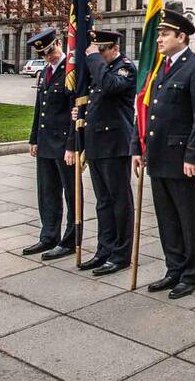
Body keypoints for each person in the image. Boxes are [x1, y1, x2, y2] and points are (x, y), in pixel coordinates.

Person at [133, 9, 195, 298]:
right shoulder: (159, 68)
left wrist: (194, 155)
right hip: (157, 156)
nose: (159, 39)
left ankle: (192, 274)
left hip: (182, 160)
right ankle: (174, 268)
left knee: (187, 218)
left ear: (182, 36)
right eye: (158, 34)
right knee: (166, 218)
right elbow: (145, 110)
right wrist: (137, 147)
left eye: (164, 34)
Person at [69, 30, 136, 276]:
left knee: (120, 202)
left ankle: (121, 254)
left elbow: (110, 87)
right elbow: (95, 99)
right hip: (97, 143)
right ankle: (104, 250)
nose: (96, 56)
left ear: (112, 48)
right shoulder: (100, 69)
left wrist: (94, 59)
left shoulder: (124, 68)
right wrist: (81, 114)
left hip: (115, 144)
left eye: (100, 51)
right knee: (103, 202)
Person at [22, 29, 76, 261]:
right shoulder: (45, 72)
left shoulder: (71, 71)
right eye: (43, 54)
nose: (48, 56)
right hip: (45, 142)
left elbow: (76, 112)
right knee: (47, 192)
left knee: (71, 194)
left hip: (64, 144)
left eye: (50, 50)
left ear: (59, 43)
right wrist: (34, 138)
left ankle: (71, 240)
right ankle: (49, 235)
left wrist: (73, 145)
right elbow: (39, 108)